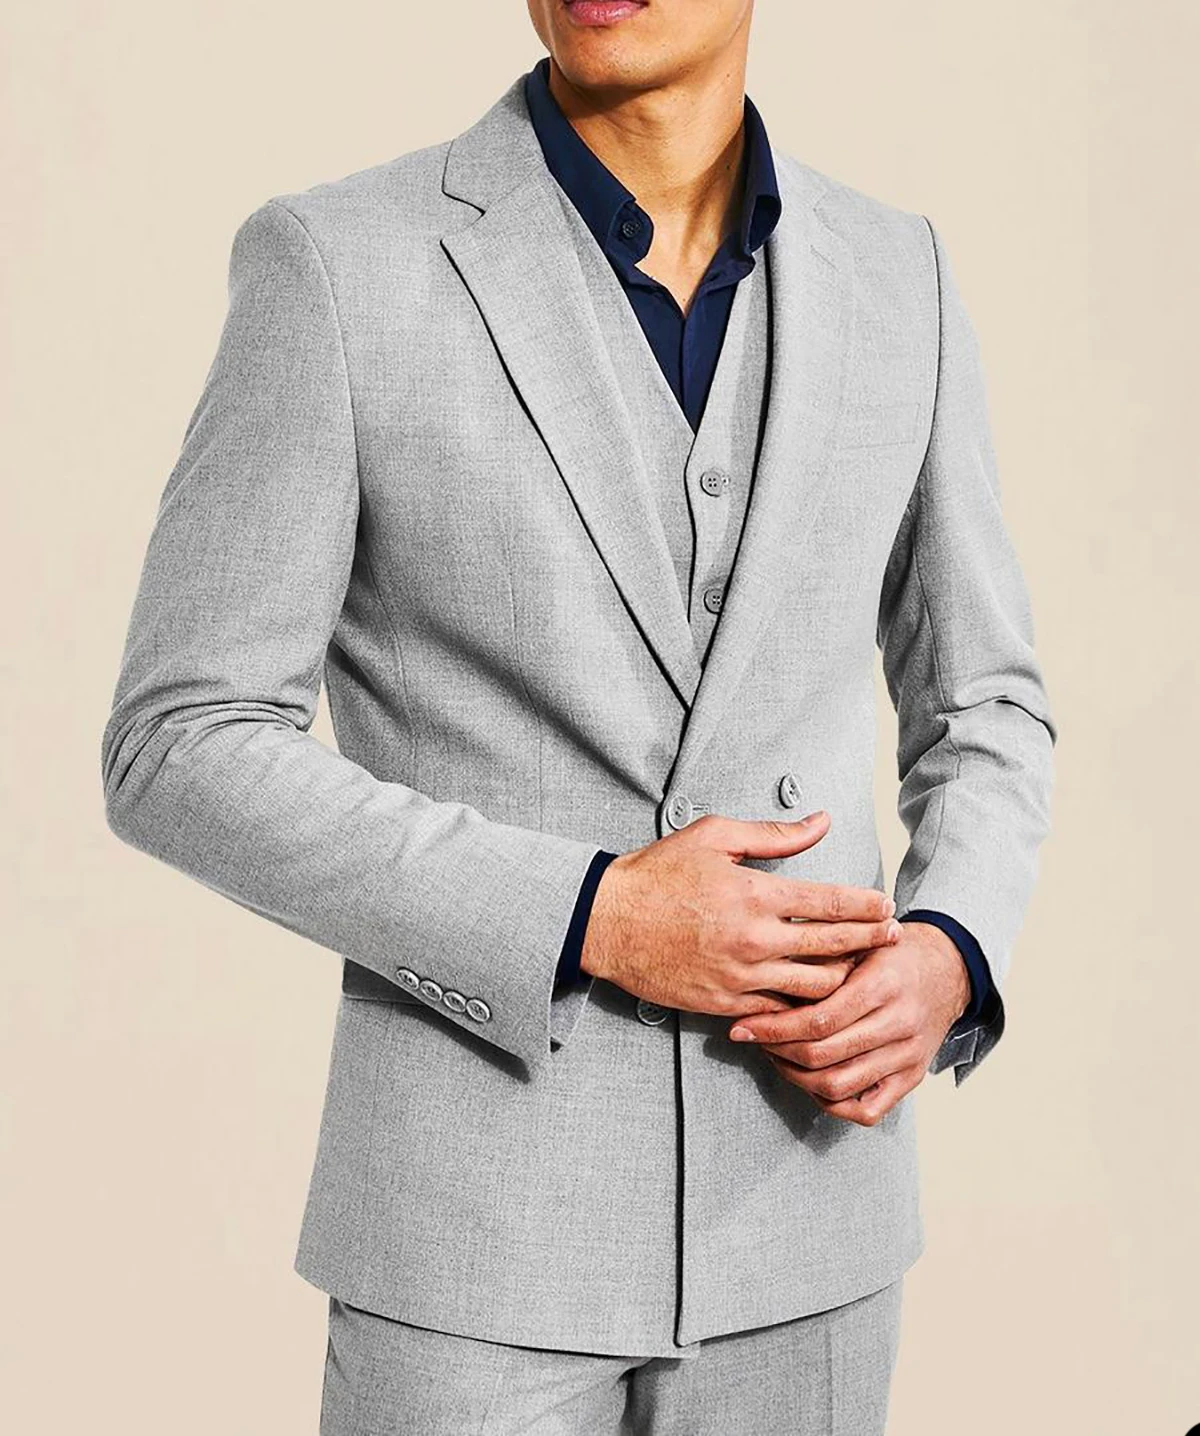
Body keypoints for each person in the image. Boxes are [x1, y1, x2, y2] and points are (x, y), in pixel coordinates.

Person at [100, 1, 1057, 1430]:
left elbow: (985, 703)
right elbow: (178, 741)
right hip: (470, 1247)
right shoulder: (339, 265)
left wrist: (952, 951)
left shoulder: (897, 276)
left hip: (811, 1220)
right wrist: (588, 915)